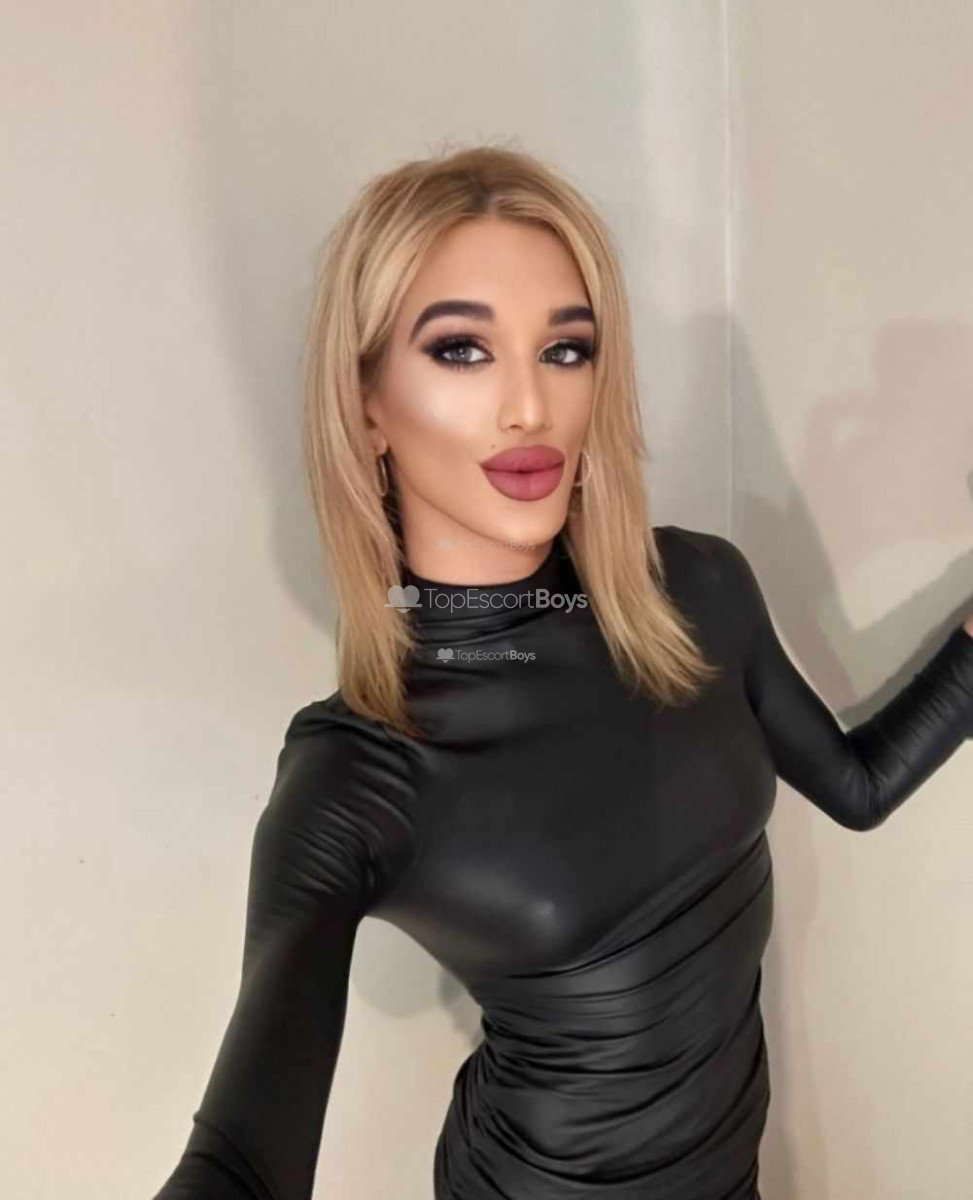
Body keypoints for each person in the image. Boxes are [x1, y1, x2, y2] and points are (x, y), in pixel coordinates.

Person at [150, 146, 973, 1200]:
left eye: (565, 349)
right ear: (366, 406)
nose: (529, 406)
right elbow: (240, 1162)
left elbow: (856, 788)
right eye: (461, 350)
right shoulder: (360, 771)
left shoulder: (696, 590)